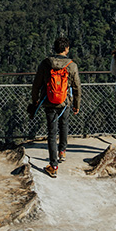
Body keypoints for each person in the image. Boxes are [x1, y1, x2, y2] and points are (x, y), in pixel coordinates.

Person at [30, 35, 81, 178]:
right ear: (66, 49)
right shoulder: (71, 65)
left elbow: (36, 85)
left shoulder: (45, 64)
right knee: (64, 125)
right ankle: (62, 152)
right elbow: (77, 87)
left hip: (49, 102)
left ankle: (53, 166)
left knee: (52, 133)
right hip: (65, 103)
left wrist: (35, 101)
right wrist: (76, 105)